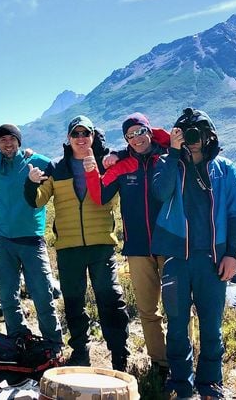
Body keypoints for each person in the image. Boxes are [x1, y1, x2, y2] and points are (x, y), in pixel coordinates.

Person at [24, 115, 130, 371]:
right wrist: (30, 183)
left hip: (101, 245)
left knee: (111, 301)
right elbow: (36, 201)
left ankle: (119, 356)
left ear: (93, 137)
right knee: (73, 302)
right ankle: (80, 352)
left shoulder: (107, 165)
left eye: (86, 134)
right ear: (69, 139)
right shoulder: (58, 169)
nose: (81, 139)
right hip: (69, 248)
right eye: (76, 134)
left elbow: (139, 151)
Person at [151, 108, 236, 400]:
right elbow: (160, 193)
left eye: (197, 135)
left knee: (212, 326)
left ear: (208, 136)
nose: (192, 140)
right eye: (185, 134)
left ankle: (211, 384)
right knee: (177, 325)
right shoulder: (169, 164)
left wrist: (231, 254)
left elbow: (235, 213)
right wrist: (173, 154)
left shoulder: (225, 169)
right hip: (177, 259)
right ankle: (180, 382)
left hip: (213, 260)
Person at [85, 112, 170, 376]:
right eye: (129, 136)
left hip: (172, 247)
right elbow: (99, 196)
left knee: (178, 309)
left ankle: (182, 358)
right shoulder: (122, 166)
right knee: (147, 310)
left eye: (140, 132)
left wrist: (120, 152)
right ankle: (160, 363)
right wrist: (92, 171)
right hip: (137, 248)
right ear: (126, 139)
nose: (136, 139)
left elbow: (172, 144)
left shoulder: (167, 158)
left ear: (149, 131)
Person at [0, 124, 63, 347]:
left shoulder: (34, 161)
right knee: (7, 295)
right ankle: (18, 338)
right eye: (3, 140)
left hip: (31, 239)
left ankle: (53, 344)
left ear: (19, 141)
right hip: (4, 240)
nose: (8, 143)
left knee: (43, 294)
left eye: (11, 139)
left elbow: (60, 166)